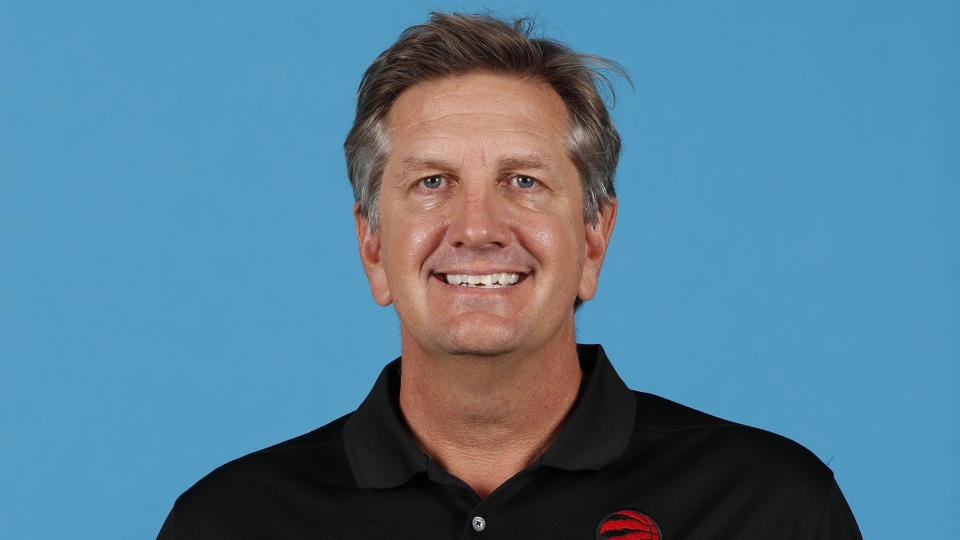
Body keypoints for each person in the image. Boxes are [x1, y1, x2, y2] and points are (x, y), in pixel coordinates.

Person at [157, 12, 862, 539]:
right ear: (372, 245)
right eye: (432, 182)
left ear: (594, 236)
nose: (477, 226)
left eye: (523, 181)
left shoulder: (773, 509)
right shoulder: (231, 523)